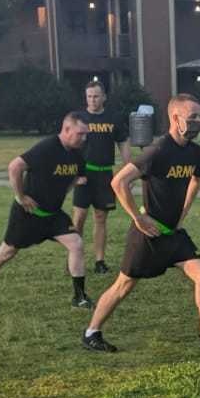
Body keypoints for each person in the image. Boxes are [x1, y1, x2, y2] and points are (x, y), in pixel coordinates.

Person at [81, 93, 200, 355]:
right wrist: (138, 218)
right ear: (175, 118)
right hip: (148, 235)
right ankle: (91, 332)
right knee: (123, 286)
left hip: (174, 235)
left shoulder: (195, 153)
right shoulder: (158, 150)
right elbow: (118, 182)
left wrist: (184, 212)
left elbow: (196, 180)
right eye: (193, 117)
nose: (199, 121)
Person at [0, 113, 91, 308]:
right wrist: (21, 196)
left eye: (86, 134)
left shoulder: (77, 154)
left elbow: (77, 178)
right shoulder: (47, 147)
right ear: (66, 129)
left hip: (53, 215)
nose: (84, 138)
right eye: (80, 134)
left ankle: (80, 296)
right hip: (28, 214)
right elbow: (15, 167)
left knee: (76, 243)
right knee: (7, 252)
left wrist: (66, 188)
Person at [73, 81, 129, 274]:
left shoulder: (114, 118)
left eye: (96, 96)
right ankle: (74, 258)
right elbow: (70, 145)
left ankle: (100, 261)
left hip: (105, 173)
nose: (92, 100)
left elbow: (123, 141)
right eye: (89, 96)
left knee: (100, 217)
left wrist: (127, 166)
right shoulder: (79, 118)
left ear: (104, 97)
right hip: (84, 175)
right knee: (79, 218)